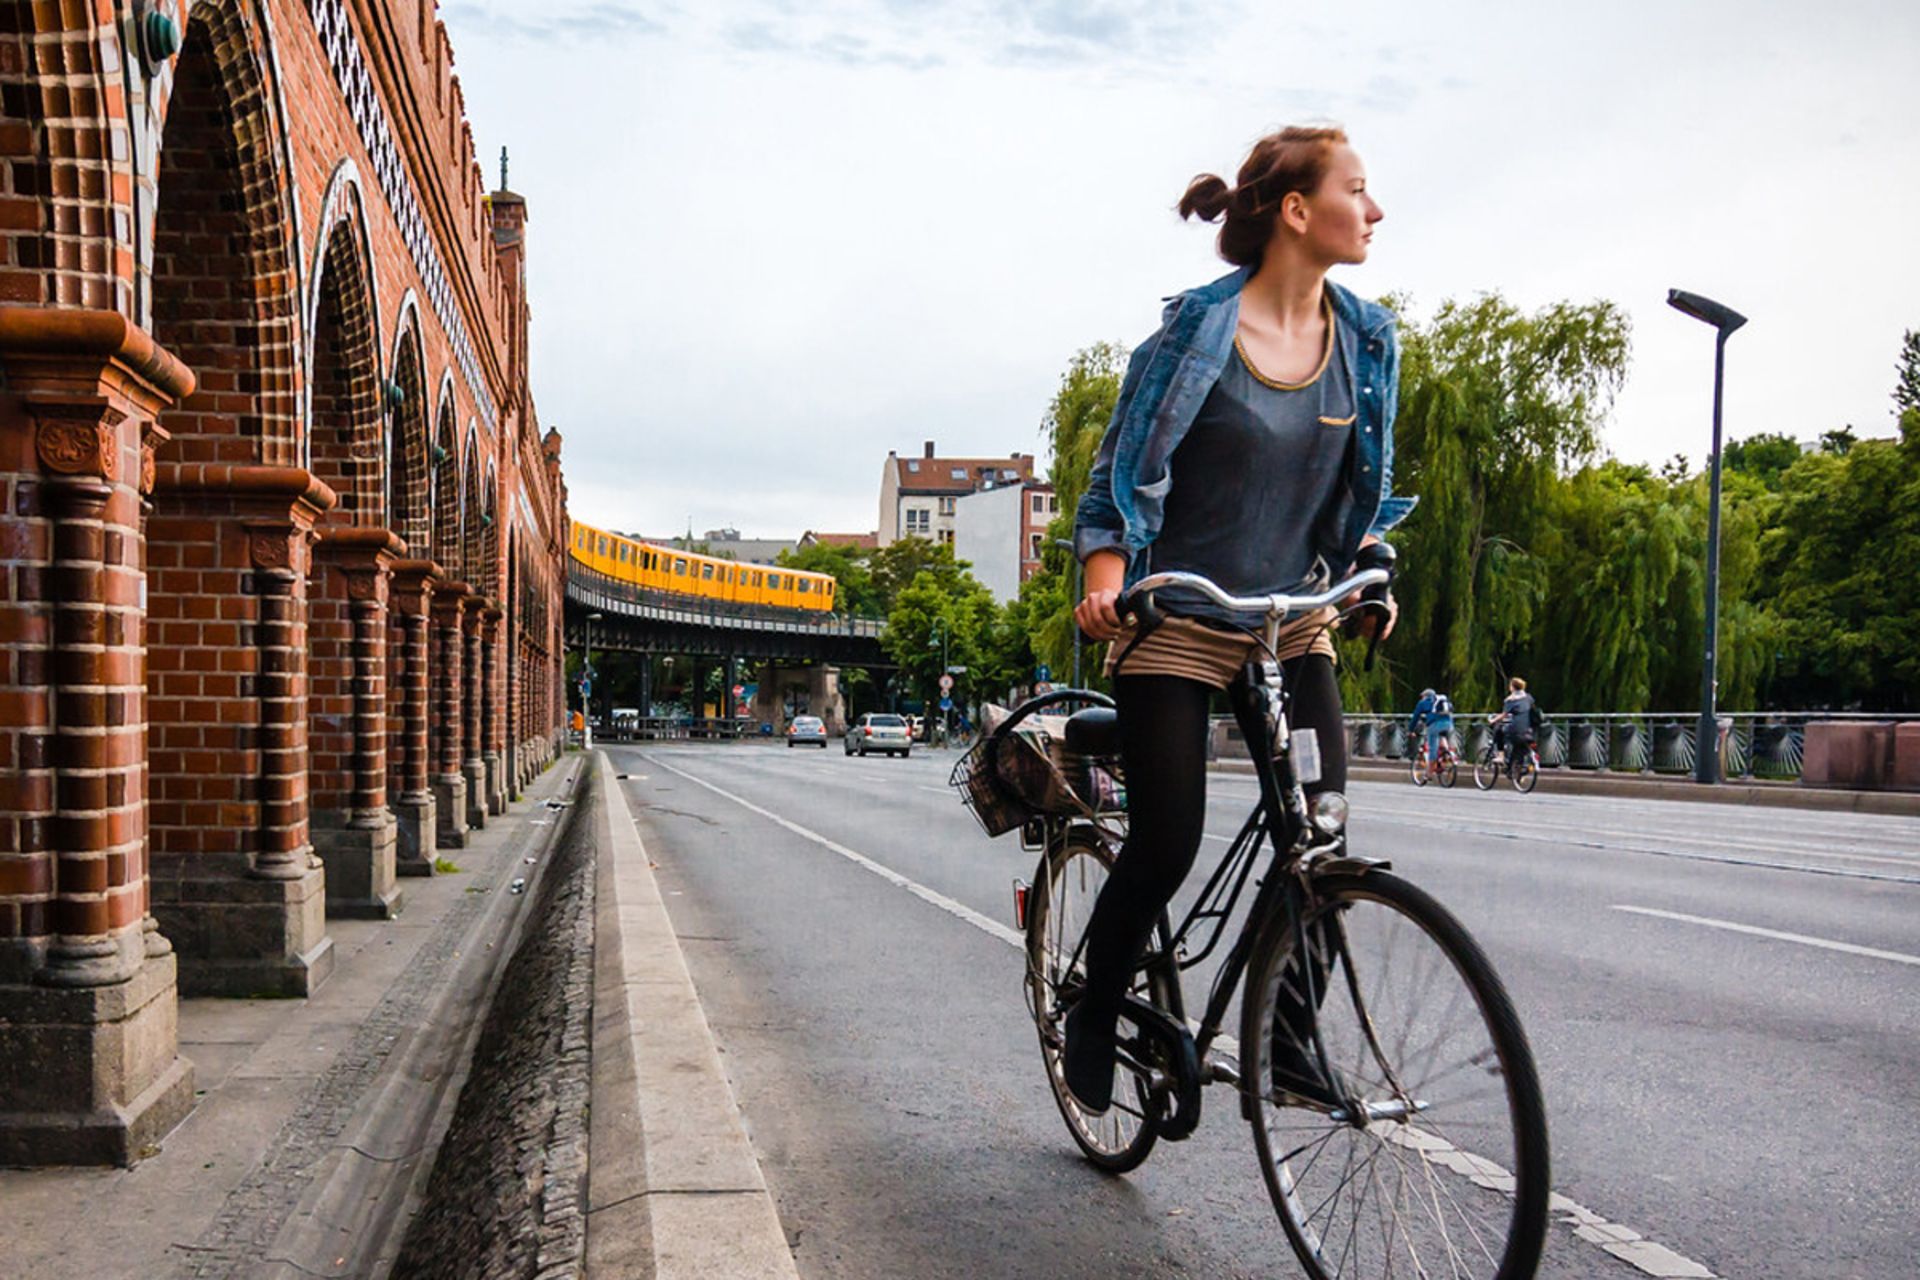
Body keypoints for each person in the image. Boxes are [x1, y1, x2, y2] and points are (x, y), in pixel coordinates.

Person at [1067, 125, 1414, 1115]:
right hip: (1178, 615)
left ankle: (1291, 1035)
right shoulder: (1195, 335)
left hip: (1290, 620)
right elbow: (1119, 477)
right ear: (1297, 211)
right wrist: (1104, 578)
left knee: (1323, 827)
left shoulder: (1368, 338)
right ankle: (1097, 1004)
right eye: (1359, 189)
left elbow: (1365, 490)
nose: (1376, 209)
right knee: (1169, 838)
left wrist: (1368, 573)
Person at [1491, 677, 1541, 763]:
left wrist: (1493, 720)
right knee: (1520, 744)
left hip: (1516, 729)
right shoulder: (1528, 697)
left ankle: (1501, 756)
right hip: (1529, 728)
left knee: (1499, 731)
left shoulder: (1510, 700)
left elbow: (1504, 715)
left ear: (1513, 687)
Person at [1409, 687, 1454, 769]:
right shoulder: (1441, 701)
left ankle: (1430, 770)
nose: (1422, 698)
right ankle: (1447, 754)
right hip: (1449, 724)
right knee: (1442, 736)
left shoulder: (1423, 703)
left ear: (1426, 696)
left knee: (1432, 747)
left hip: (1435, 725)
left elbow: (1415, 717)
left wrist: (1411, 730)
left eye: (1422, 696)